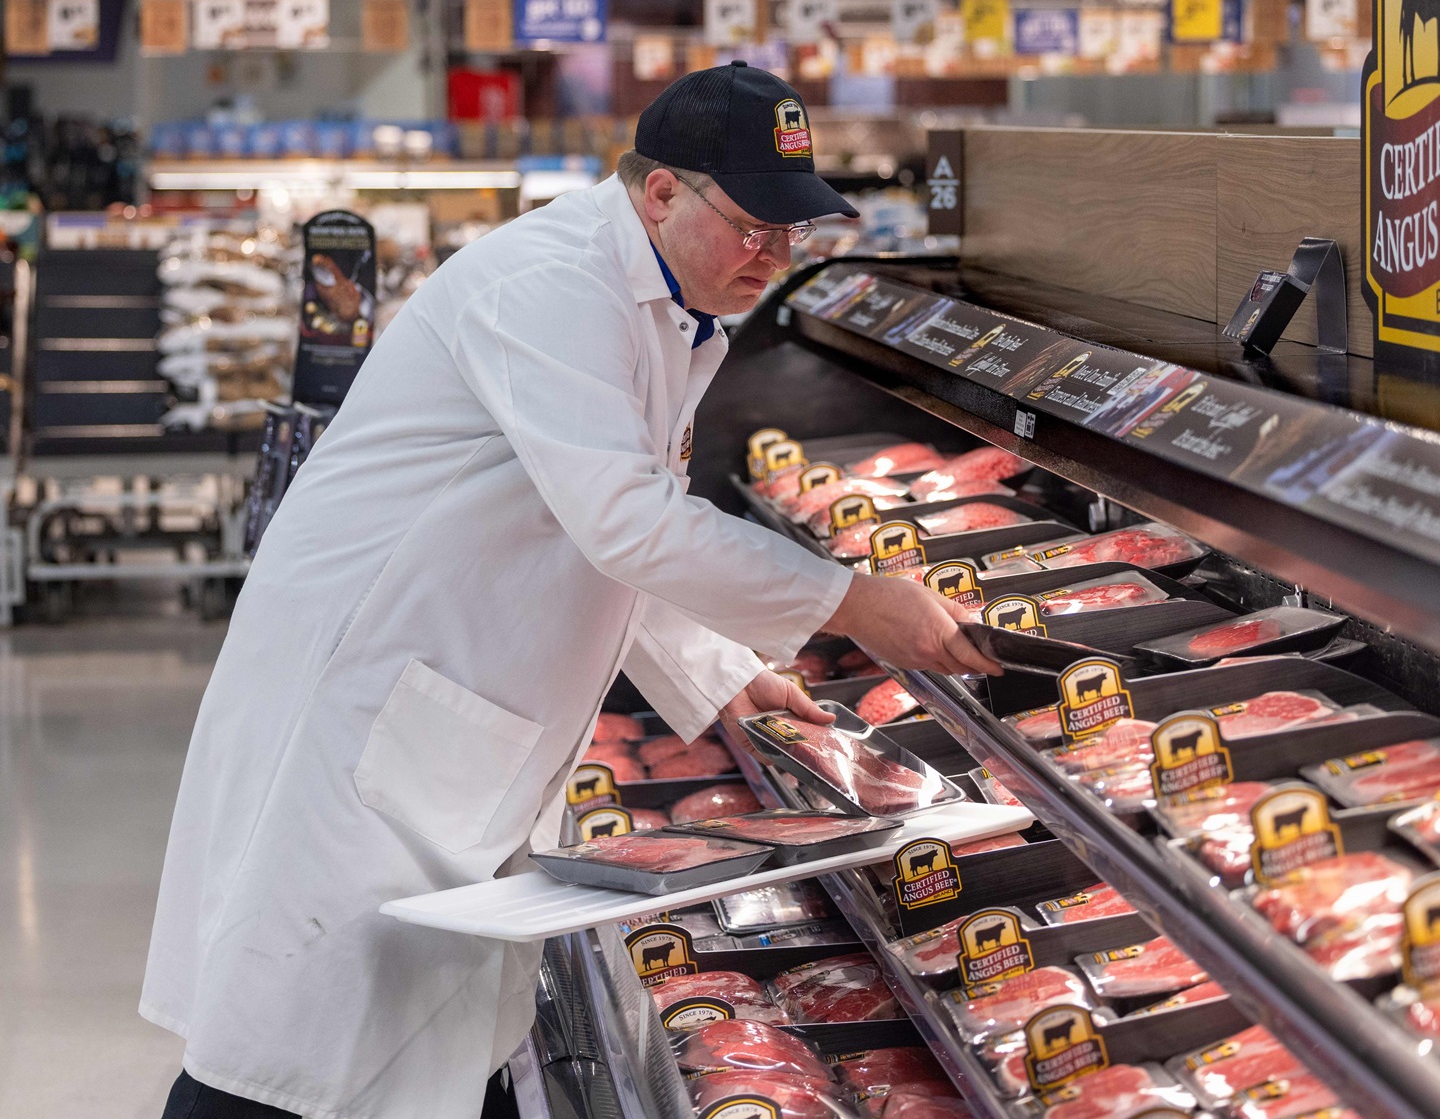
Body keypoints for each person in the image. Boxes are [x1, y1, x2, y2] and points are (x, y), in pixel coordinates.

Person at [142, 61, 1001, 1119]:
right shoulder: (549, 285)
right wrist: (852, 601)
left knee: (422, 1046)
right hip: (360, 710)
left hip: (446, 707)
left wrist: (726, 673)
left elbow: (602, 528)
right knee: (286, 1057)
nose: (773, 256)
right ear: (660, 193)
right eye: (752, 225)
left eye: (792, 232)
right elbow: (625, 521)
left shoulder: (671, 310)